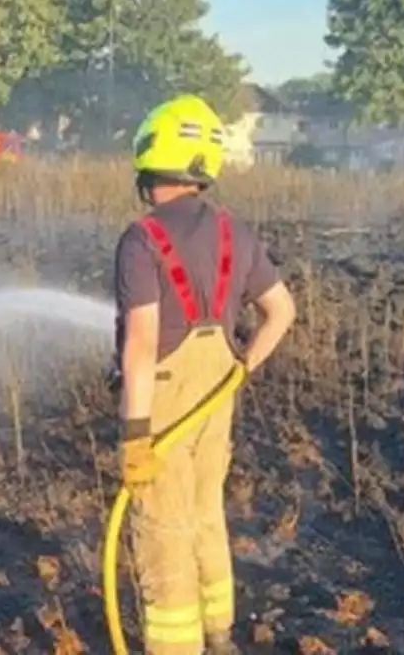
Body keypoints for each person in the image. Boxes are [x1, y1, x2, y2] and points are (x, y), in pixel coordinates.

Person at [113, 94, 296, 654]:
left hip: (164, 400)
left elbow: (141, 345)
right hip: (218, 393)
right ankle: (220, 635)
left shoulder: (141, 239)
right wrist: (242, 366)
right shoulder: (235, 232)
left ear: (152, 158)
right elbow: (282, 311)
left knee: (162, 529)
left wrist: (134, 435)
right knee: (204, 512)